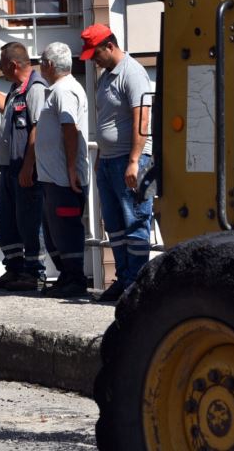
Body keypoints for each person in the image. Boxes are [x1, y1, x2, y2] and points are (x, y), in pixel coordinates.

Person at [81, 24, 154, 302]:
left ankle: (137, 286)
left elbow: (141, 118)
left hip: (132, 159)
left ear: (109, 46)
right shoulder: (106, 76)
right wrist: (101, 155)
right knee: (115, 225)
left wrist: (134, 161)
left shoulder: (132, 73)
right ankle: (124, 280)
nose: (93, 60)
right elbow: (106, 121)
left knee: (135, 222)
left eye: (95, 53)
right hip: (110, 160)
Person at [0, 42, 47, 291]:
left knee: (29, 222)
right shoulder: (17, 89)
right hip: (9, 169)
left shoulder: (35, 89)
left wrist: (28, 166)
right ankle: (14, 269)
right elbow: (5, 105)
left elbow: (38, 129)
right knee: (4, 219)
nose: (1, 69)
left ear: (13, 65)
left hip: (25, 169)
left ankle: (34, 273)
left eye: (3, 65)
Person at [35, 42, 90, 298]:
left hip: (63, 179)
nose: (39, 66)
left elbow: (70, 129)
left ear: (50, 65)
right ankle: (66, 276)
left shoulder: (64, 91)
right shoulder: (56, 90)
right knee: (54, 229)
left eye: (42, 61)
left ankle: (74, 278)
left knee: (66, 228)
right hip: (53, 177)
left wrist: (70, 169)